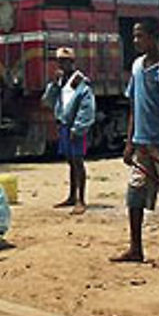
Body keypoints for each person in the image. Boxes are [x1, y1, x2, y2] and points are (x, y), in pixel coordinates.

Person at [113, 18, 159, 268]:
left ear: (154, 37)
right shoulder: (136, 66)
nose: (135, 41)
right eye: (134, 36)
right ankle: (136, 248)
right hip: (142, 145)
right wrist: (130, 142)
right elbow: (134, 105)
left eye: (140, 36)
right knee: (134, 195)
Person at [41, 47, 95, 215]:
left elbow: (87, 107)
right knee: (70, 161)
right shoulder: (60, 82)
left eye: (65, 61)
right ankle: (72, 196)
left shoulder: (80, 82)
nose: (61, 64)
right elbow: (47, 101)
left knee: (78, 161)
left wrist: (78, 127)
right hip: (64, 124)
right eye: (59, 61)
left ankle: (81, 199)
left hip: (75, 126)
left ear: (72, 62)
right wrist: (53, 85)